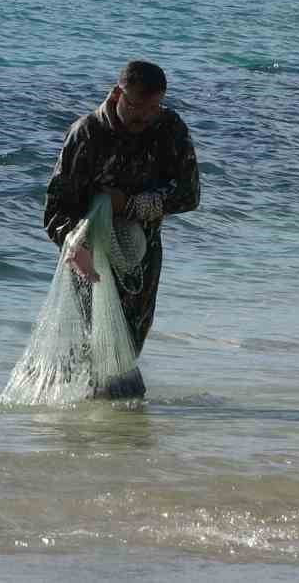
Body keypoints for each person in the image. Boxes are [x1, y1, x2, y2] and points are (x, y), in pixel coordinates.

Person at [42, 61, 201, 392]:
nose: (145, 116)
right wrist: (74, 246)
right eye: (137, 106)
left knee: (129, 342)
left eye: (153, 107)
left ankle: (118, 430)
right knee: (93, 340)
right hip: (89, 254)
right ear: (117, 94)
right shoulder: (86, 134)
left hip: (142, 251)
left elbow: (189, 195)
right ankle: (83, 422)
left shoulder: (169, 128)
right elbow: (56, 209)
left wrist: (129, 205)